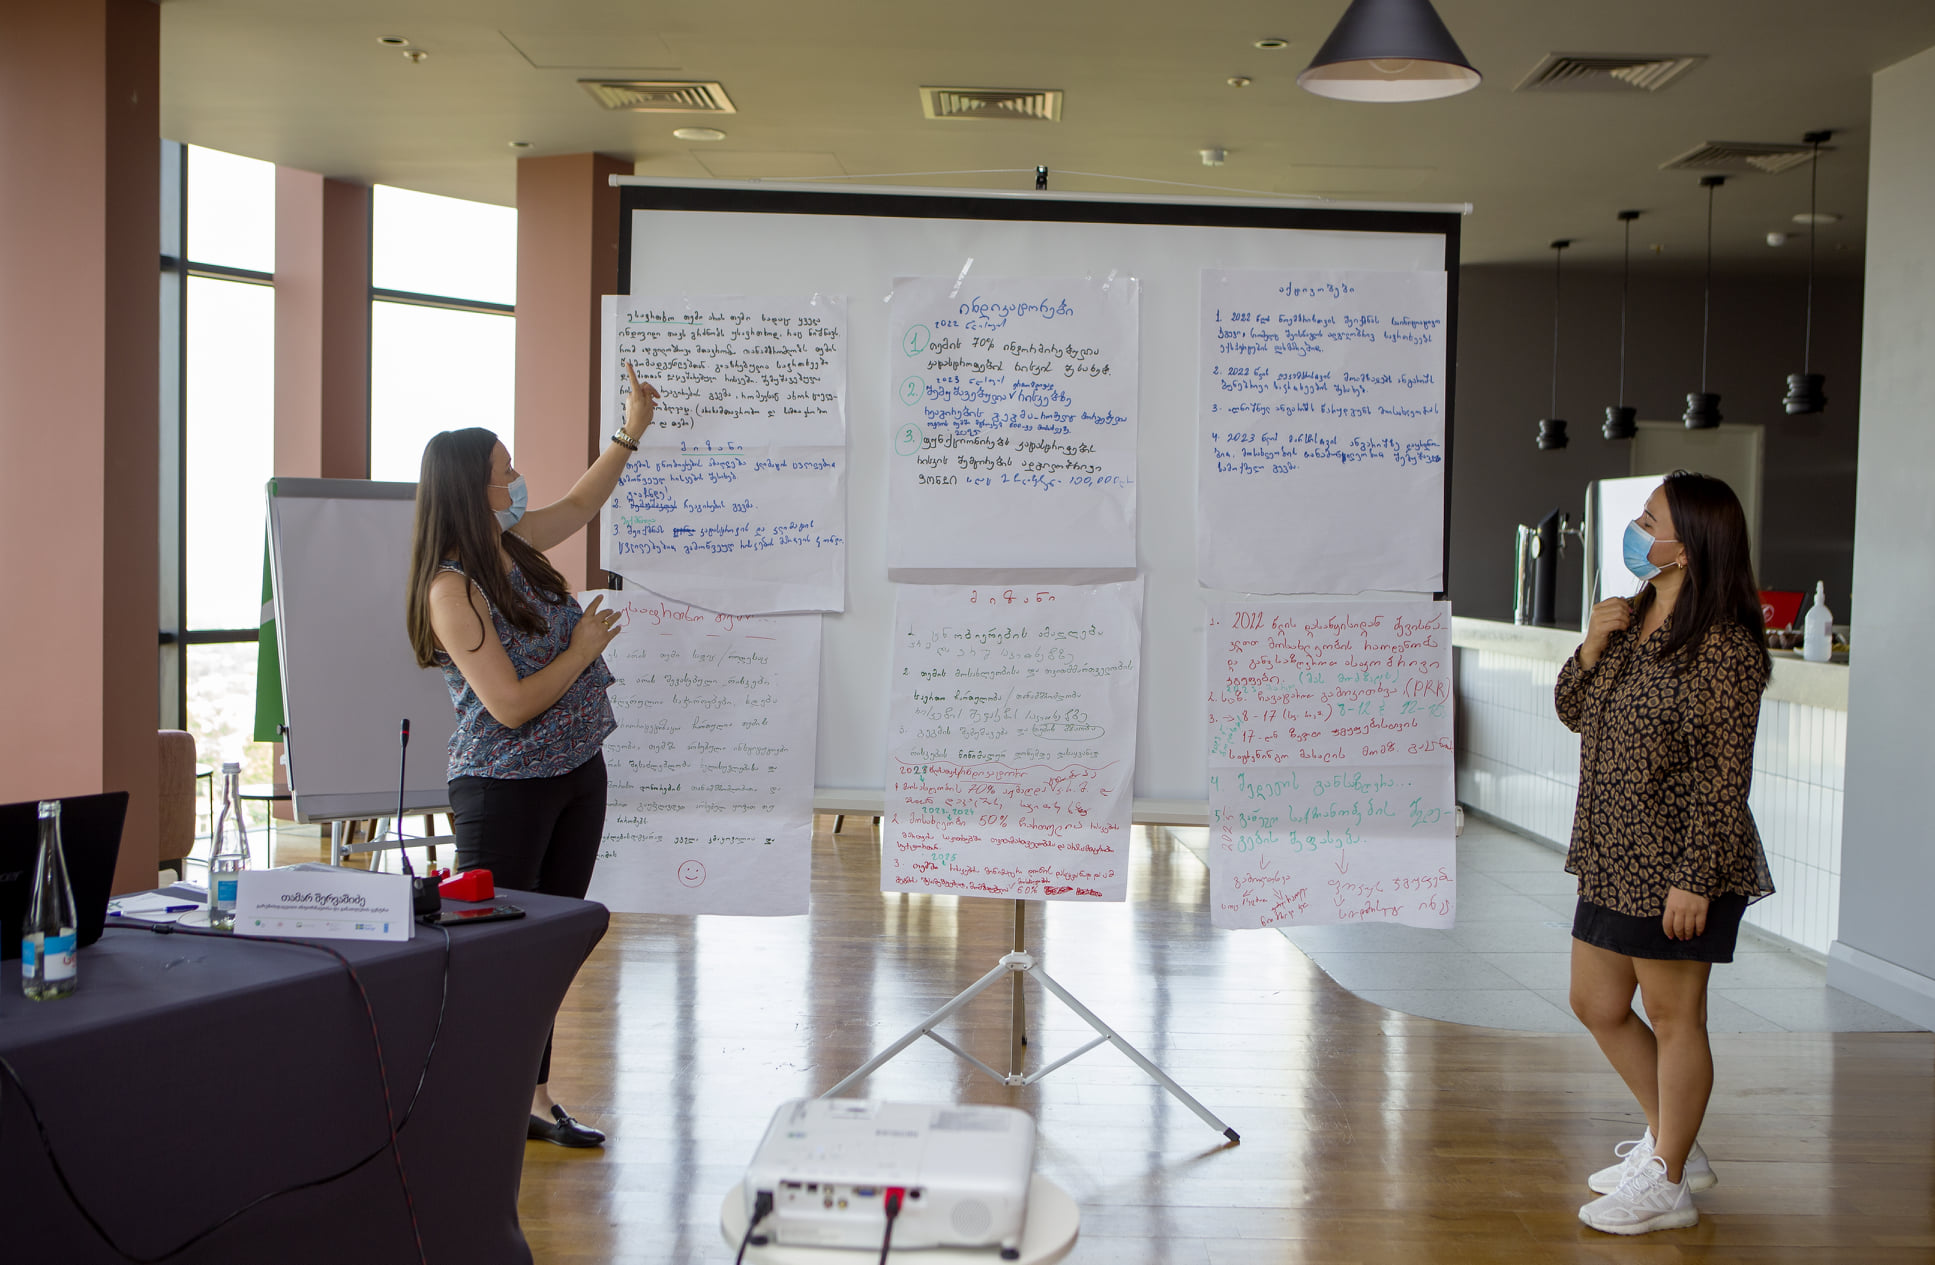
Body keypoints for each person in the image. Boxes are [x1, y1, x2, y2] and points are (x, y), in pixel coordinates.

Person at [405, 364, 660, 1148]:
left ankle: (533, 1097)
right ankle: (471, 1104)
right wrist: (581, 648)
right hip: (504, 790)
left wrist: (631, 430)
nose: (516, 480)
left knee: (546, 946)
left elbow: (582, 503)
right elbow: (509, 705)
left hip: (576, 771)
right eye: (504, 470)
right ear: (470, 489)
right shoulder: (452, 590)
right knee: (493, 956)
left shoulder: (510, 546)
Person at [1556, 470, 1774, 1235]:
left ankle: (1669, 1179)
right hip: (1611, 850)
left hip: (1680, 861)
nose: (1636, 531)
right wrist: (1590, 645)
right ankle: (1669, 1140)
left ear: (1689, 547)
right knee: (1595, 1002)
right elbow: (1572, 710)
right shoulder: (1629, 615)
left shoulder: (1724, 647)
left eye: (1649, 522)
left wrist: (1694, 879)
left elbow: (1725, 775)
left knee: (1674, 1014)